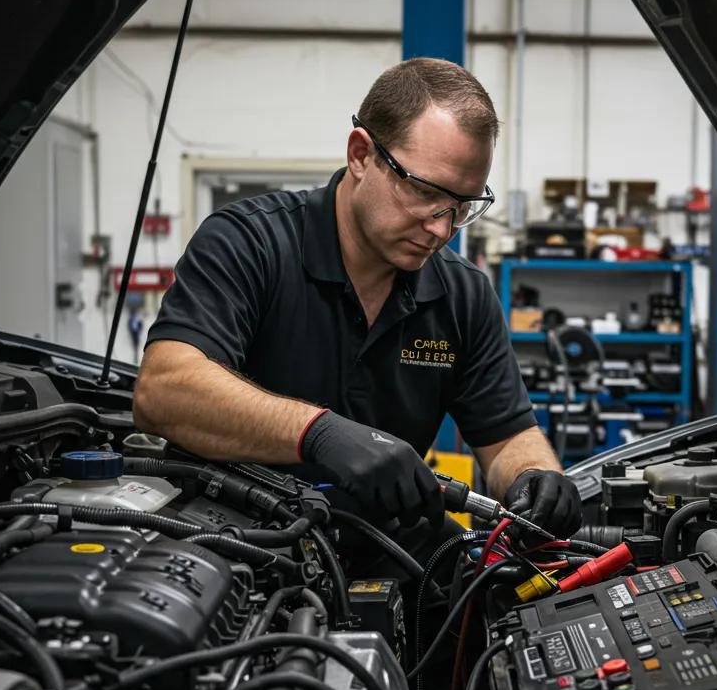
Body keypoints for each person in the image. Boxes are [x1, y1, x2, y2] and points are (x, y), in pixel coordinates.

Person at [133, 57, 581, 547]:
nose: (442, 228)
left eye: (463, 205)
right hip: (234, 548)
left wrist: (535, 476)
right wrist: (319, 434)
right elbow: (165, 390)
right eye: (425, 191)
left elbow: (507, 436)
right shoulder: (249, 243)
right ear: (361, 154)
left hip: (383, 550)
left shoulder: (462, 295)